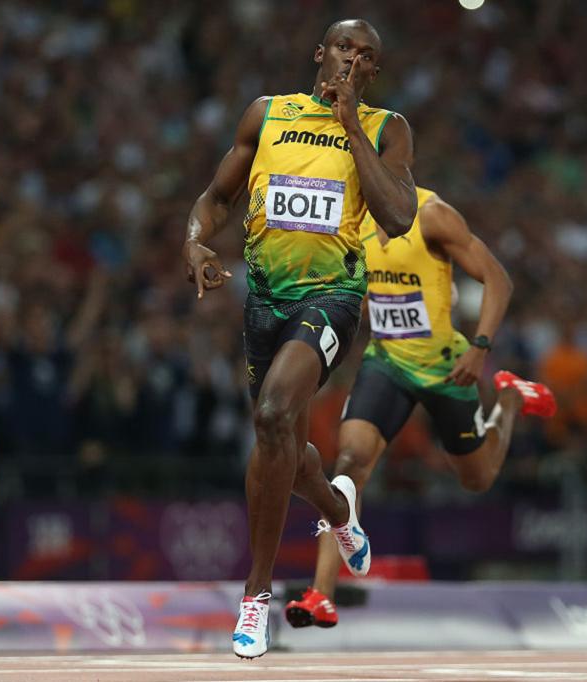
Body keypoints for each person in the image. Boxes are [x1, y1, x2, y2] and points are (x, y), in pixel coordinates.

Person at [182, 19, 417, 658]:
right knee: (284, 446)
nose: (353, 59)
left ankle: (255, 598)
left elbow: (397, 215)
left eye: (367, 55)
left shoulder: (385, 127)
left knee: (275, 413)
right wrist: (196, 240)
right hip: (264, 301)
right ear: (321, 53)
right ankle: (339, 512)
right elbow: (216, 196)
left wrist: (349, 127)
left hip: (334, 295)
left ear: (372, 73)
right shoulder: (268, 114)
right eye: (345, 47)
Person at [285, 187, 556, 629]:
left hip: (445, 370)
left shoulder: (431, 216)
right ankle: (321, 594)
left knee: (478, 477)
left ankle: (509, 398)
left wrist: (481, 347)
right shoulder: (349, 223)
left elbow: (498, 279)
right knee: (348, 465)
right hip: (387, 363)